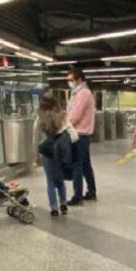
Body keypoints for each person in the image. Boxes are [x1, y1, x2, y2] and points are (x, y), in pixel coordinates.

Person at [34, 89, 78, 217]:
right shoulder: (62, 118)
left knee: (50, 181)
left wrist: (36, 157)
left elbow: (35, 140)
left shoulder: (39, 120)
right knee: (60, 177)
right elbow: (74, 135)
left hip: (47, 153)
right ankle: (63, 204)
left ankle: (53, 207)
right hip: (60, 153)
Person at [65, 67, 97, 205]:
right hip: (82, 134)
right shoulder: (78, 93)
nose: (69, 82)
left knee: (77, 164)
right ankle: (91, 191)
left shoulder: (83, 93)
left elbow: (75, 116)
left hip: (80, 134)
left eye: (71, 80)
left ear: (79, 79)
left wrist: (63, 124)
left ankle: (77, 196)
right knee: (85, 164)